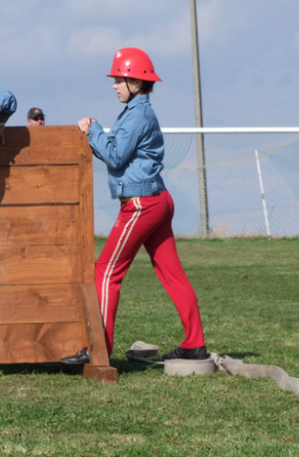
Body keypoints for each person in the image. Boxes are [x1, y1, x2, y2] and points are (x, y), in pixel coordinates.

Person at [61, 48, 207, 366]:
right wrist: (97, 134)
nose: (114, 85)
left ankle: (98, 350)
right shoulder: (137, 112)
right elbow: (117, 152)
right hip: (157, 199)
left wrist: (92, 130)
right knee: (172, 274)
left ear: (135, 83)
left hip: (141, 204)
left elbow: (114, 157)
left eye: (118, 79)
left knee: (106, 270)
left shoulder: (137, 114)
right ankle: (195, 344)